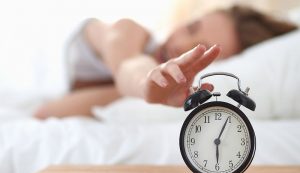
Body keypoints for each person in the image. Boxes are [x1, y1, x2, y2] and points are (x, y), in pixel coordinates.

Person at [34, 5, 297, 119]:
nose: (181, 46)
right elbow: (130, 66)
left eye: (199, 51)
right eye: (191, 29)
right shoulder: (128, 32)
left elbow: (48, 112)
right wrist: (146, 83)